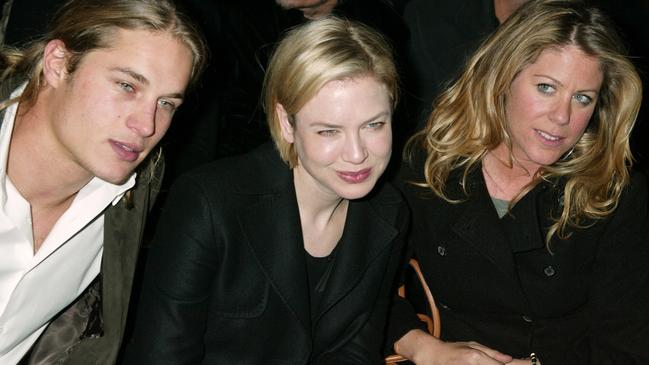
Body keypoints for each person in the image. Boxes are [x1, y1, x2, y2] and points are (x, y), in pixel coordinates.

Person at [123, 16, 407, 364]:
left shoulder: (388, 211)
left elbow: (355, 350)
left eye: (374, 125)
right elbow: (162, 355)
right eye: (328, 131)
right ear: (287, 123)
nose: (357, 154)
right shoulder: (209, 203)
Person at [388, 0, 649, 364]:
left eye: (582, 98)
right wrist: (425, 348)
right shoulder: (430, 166)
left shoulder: (612, 193)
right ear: (502, 77)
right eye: (546, 87)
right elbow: (362, 287)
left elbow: (626, 343)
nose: (562, 116)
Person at [0, 0, 206, 363]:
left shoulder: (132, 195)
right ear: (59, 64)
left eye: (167, 104)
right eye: (127, 86)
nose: (147, 126)